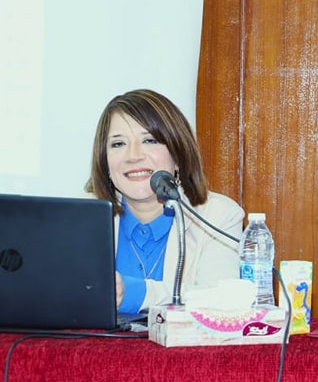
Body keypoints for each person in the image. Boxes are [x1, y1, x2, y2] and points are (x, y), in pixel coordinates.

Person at [85, 89, 244, 313]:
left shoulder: (217, 215)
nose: (133, 156)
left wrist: (137, 293)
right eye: (118, 144)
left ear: (177, 155)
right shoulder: (83, 217)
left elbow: (221, 298)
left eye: (149, 140)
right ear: (104, 161)